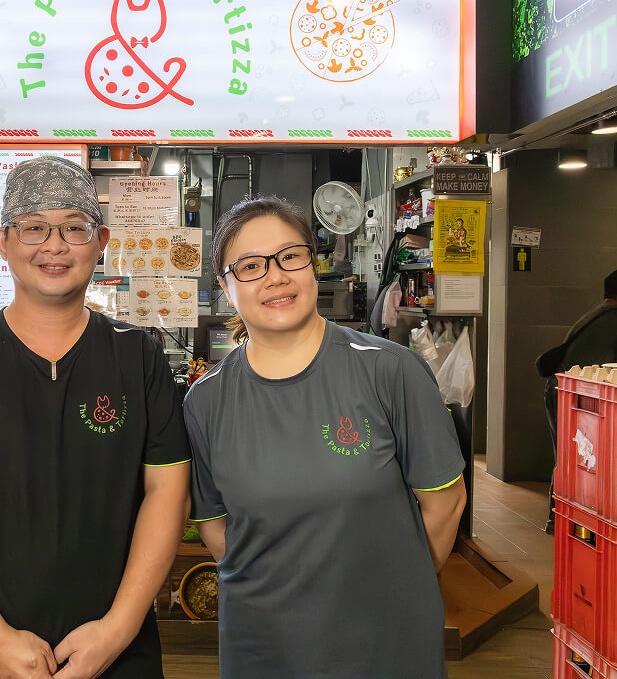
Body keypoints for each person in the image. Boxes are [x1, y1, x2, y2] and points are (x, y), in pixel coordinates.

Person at [0, 156, 191, 679]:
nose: (54, 246)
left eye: (73, 228)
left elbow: (168, 493)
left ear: (99, 242)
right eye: (33, 228)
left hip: (120, 654)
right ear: (2, 241)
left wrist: (117, 630)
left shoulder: (137, 358)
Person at [185, 195, 466, 679]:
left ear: (311, 264)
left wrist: (396, 595)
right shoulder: (206, 400)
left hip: (385, 642)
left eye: (289, 256)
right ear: (225, 287)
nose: (275, 276)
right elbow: (213, 523)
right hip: (263, 643)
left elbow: (444, 503)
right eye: (250, 266)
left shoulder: (389, 369)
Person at [543, 269, 617, 531]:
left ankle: (558, 517)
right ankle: (576, 520)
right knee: (587, 460)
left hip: (559, 388)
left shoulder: (594, 314)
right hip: (584, 399)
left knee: (566, 456)